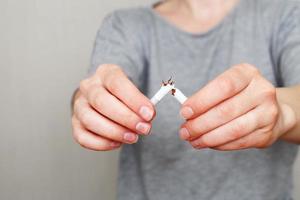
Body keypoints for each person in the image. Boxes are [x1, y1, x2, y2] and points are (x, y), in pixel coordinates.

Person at [71, 0, 300, 199]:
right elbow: (98, 83)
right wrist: (90, 102)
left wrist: (283, 112)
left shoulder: (285, 13)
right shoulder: (125, 25)